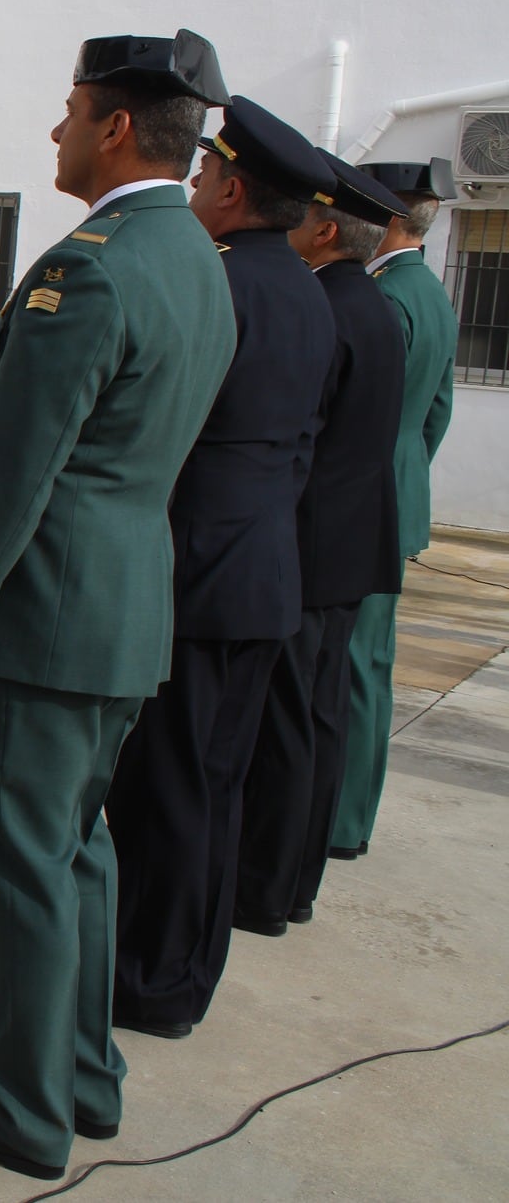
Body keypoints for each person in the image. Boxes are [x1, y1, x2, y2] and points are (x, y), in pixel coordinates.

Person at [0, 30, 233, 1181]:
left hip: (38, 621)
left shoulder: (87, 266)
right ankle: (83, 1080)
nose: (55, 130)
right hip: (123, 612)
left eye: (70, 109)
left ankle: (19, 1108)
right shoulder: (194, 256)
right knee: (77, 856)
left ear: (117, 128)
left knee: (19, 871)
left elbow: (12, 472)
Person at [102, 98, 337, 1041]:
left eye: (203, 177)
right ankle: (186, 966)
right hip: (264, 572)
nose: (194, 188)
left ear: (233, 191)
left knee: (166, 791)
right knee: (216, 784)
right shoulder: (310, 293)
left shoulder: (220, 282)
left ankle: (152, 978)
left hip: (197, 573)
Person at [235, 155, 407, 934]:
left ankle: (267, 886)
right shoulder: (370, 304)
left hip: (307, 544)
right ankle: (295, 880)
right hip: (350, 545)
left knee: (286, 723)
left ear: (328, 230)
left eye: (304, 215)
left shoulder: (326, 307)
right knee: (322, 715)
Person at [331, 158, 461, 860]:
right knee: (370, 663)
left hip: (365, 504)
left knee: (352, 666)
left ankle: (340, 820)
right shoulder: (429, 293)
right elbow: (434, 416)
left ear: (385, 217)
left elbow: (366, 416)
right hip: (397, 496)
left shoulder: (387, 298)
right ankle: (351, 813)